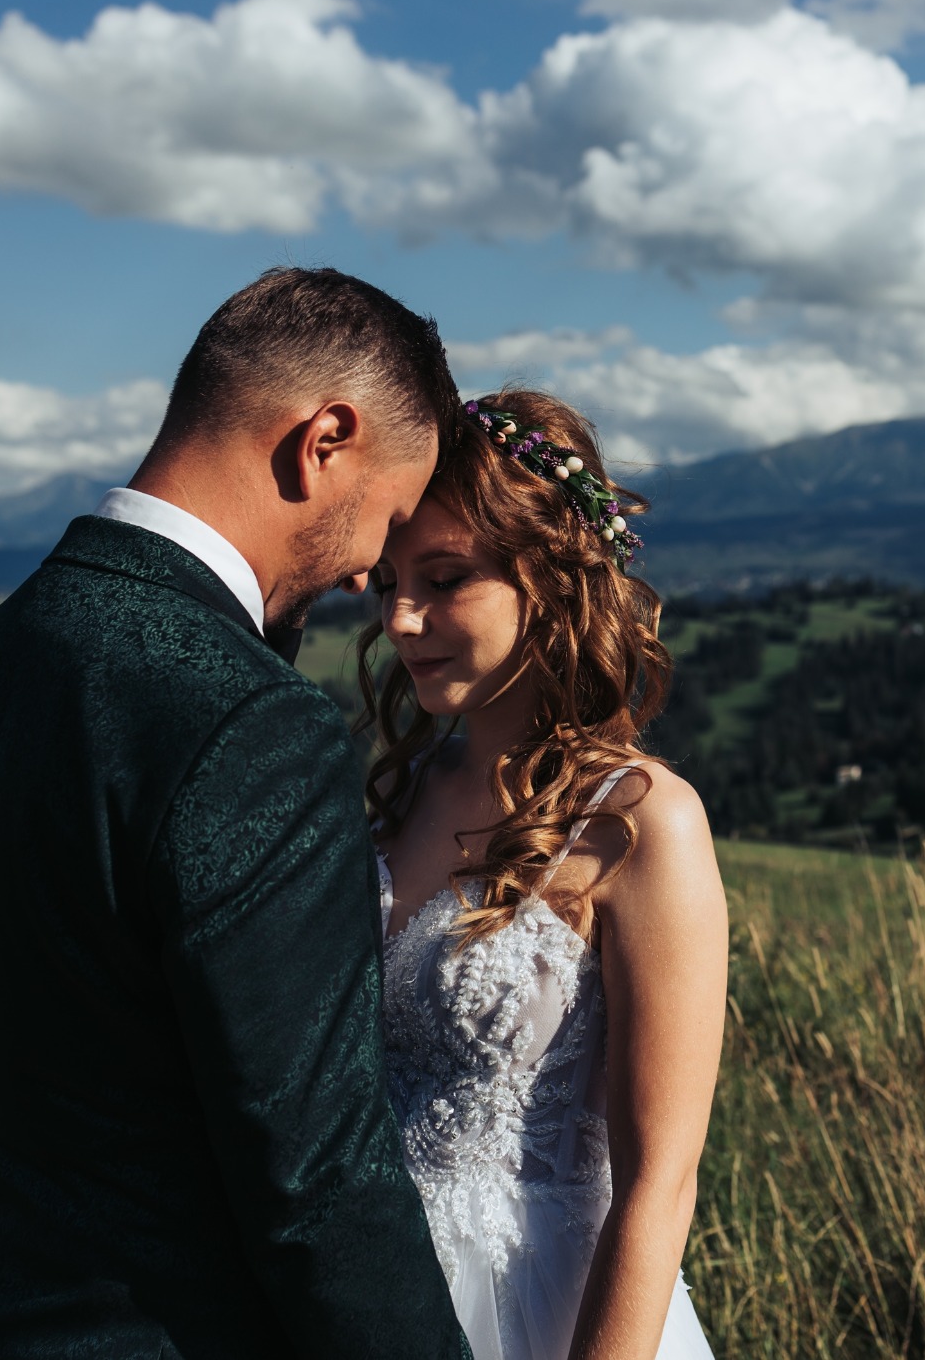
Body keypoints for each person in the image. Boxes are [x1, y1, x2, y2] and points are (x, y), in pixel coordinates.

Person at [0, 267, 471, 1359]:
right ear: (325, 440)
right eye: (388, 519)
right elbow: (315, 1178)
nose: (366, 578)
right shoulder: (252, 724)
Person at [360, 389, 728, 1360]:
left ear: (549, 575)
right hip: (357, 1293)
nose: (401, 618)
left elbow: (661, 1178)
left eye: (443, 577)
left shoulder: (641, 821)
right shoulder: (384, 800)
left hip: (539, 1308)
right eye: (388, 580)